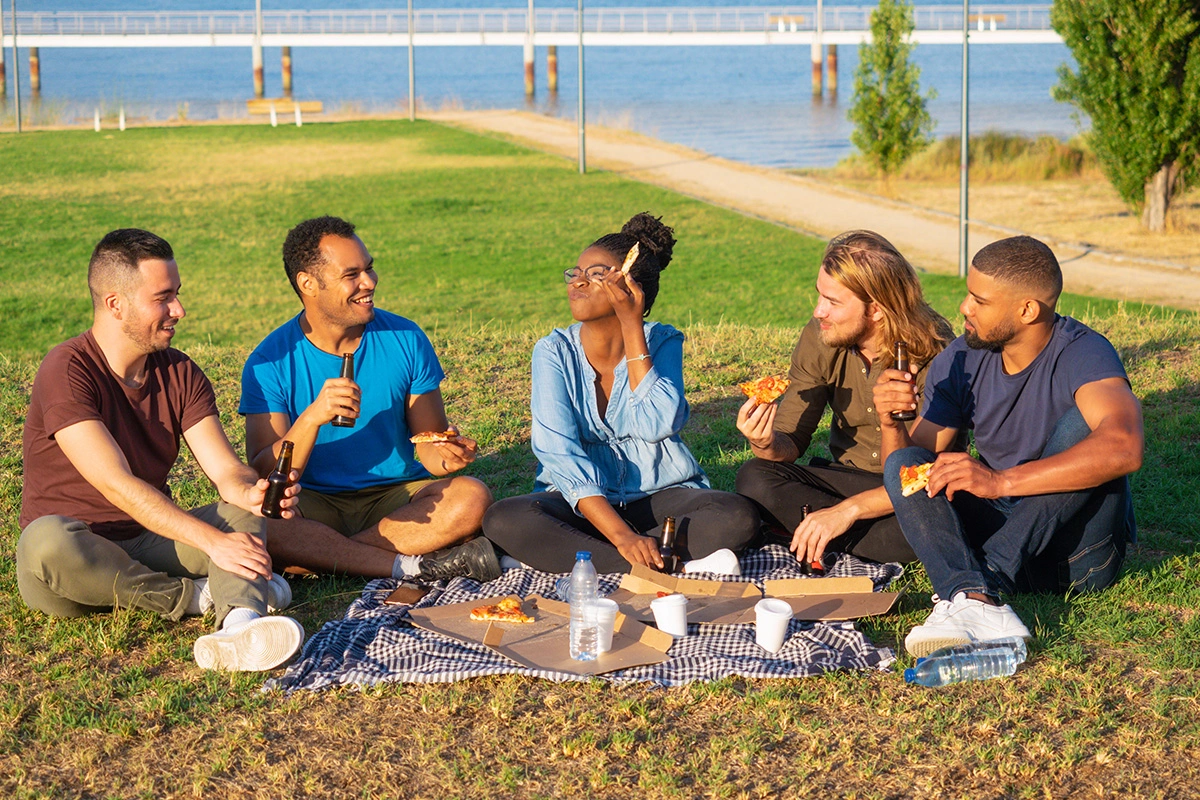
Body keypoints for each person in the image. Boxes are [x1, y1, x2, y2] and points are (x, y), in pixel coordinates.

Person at [18, 229, 305, 672]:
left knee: (239, 516)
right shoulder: (66, 369)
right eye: (163, 298)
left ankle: (240, 625)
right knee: (45, 541)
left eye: (178, 295)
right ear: (116, 304)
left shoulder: (179, 371)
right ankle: (199, 596)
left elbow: (226, 470)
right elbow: (117, 484)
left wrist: (249, 492)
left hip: (147, 540)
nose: (179, 311)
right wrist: (214, 545)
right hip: (78, 559)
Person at [873, 235, 1143, 656]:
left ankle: (981, 587)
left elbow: (1124, 447)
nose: (964, 307)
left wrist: (999, 482)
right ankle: (973, 594)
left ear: (1027, 310)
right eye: (968, 295)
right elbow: (908, 476)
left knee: (1085, 429)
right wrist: (890, 423)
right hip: (999, 531)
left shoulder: (1083, 352)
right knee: (907, 461)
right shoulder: (960, 359)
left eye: (979, 300)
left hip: (1075, 559)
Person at [482, 212, 759, 574]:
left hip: (657, 495)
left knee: (736, 516)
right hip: (583, 504)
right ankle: (665, 564)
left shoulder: (663, 340)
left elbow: (656, 424)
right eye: (575, 273)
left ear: (633, 288)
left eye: (595, 275)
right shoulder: (552, 352)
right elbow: (558, 453)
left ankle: (576, 558)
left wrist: (632, 325)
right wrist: (621, 536)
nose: (577, 283)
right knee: (505, 519)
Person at [240, 216, 499, 584]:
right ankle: (393, 557)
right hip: (313, 501)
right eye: (352, 274)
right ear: (308, 283)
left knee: (471, 497)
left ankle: (326, 557)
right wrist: (312, 418)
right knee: (261, 522)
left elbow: (428, 445)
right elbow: (267, 470)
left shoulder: (405, 338)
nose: (369, 282)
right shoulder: (270, 361)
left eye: (370, 268)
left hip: (395, 498)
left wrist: (447, 454)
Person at [735, 230, 954, 568]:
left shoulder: (938, 354)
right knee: (754, 476)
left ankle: (812, 528)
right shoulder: (822, 334)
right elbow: (789, 441)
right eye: (820, 296)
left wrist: (846, 512)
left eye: (833, 302)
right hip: (845, 478)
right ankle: (827, 530)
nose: (818, 311)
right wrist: (765, 442)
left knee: (920, 524)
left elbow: (919, 475)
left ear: (877, 310)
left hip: (913, 494)